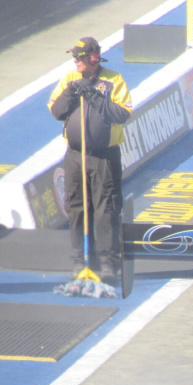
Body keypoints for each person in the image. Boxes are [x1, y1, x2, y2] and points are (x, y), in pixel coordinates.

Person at [48, 37, 133, 285]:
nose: (75, 60)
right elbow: (56, 111)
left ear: (93, 58)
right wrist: (71, 91)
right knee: (76, 208)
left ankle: (108, 264)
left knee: (106, 210)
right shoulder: (69, 79)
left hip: (104, 157)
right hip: (75, 156)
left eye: (80, 56)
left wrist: (95, 96)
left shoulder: (114, 80)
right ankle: (80, 261)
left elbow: (123, 113)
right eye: (74, 56)